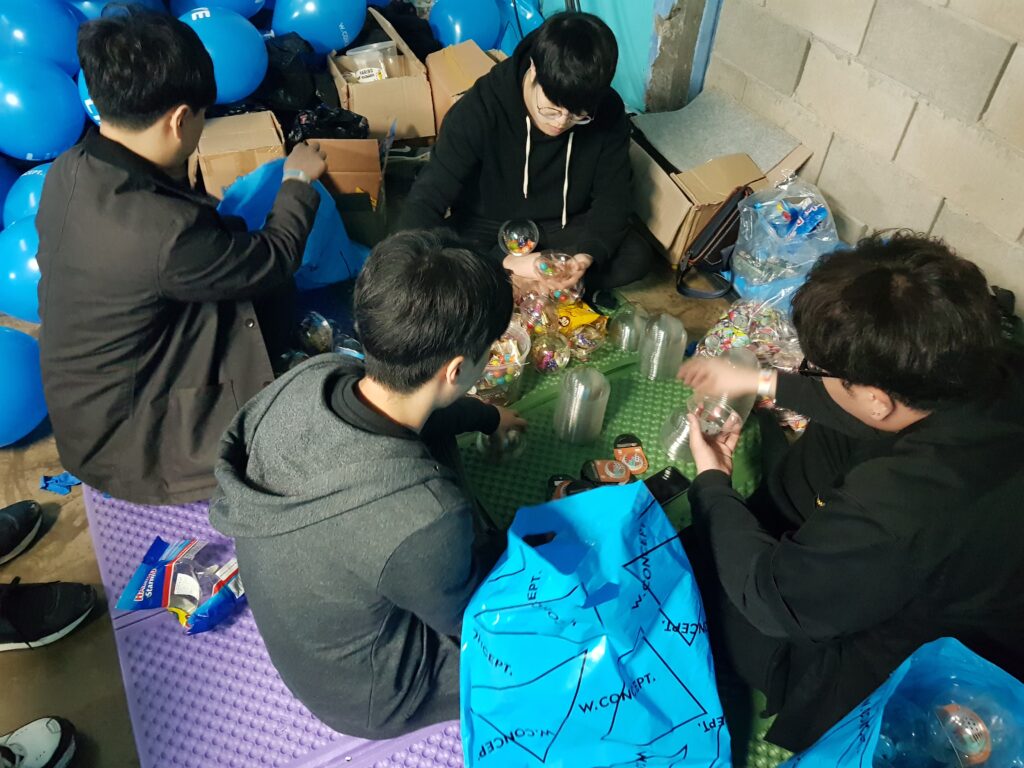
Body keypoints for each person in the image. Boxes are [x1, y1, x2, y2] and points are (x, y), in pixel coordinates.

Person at [677, 233, 1024, 752]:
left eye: (827, 374)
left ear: (878, 399)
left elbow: (773, 600)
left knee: (700, 577)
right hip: (963, 555)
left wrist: (713, 485)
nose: (818, 379)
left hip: (919, 653)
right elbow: (869, 401)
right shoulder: (991, 362)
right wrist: (763, 381)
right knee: (832, 434)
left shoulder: (904, 504)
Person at [209, 230, 525, 738]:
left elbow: (421, 407)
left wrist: (485, 415)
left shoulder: (316, 375)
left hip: (313, 630)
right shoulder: (427, 518)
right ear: (457, 370)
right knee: (545, 645)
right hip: (368, 694)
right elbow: (474, 615)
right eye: (488, 353)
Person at [36, 9, 327, 505]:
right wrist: (298, 181)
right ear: (178, 120)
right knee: (311, 428)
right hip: (132, 449)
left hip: (89, 414)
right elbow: (275, 256)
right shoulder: (163, 234)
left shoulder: (71, 167)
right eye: (202, 116)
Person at [399, 12, 653, 295]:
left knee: (634, 254)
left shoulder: (607, 110)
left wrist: (585, 257)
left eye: (577, 116)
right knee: (439, 254)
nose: (561, 122)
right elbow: (429, 195)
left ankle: (513, 282)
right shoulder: (481, 108)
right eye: (551, 109)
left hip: (561, 226)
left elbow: (613, 197)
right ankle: (512, 274)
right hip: (487, 228)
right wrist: (506, 260)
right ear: (534, 69)